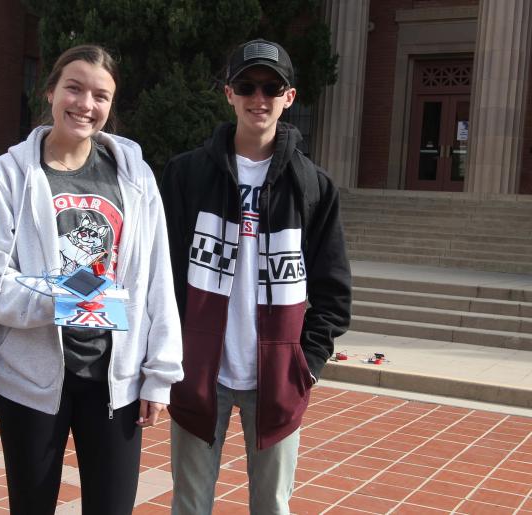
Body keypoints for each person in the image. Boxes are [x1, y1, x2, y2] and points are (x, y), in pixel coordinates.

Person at [0, 44, 183, 515]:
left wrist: (159, 375)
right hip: (30, 379)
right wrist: (75, 294)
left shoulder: (135, 178)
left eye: (100, 95)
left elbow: (156, 280)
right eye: (74, 88)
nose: (86, 104)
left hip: (115, 380)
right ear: (50, 92)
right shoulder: (11, 174)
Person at [161, 39, 352, 514]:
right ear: (229, 93)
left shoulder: (313, 186)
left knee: (271, 506)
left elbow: (333, 291)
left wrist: (305, 364)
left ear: (290, 96)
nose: (258, 97)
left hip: (277, 381)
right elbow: (160, 273)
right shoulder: (186, 175)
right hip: (198, 373)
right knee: (190, 505)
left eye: (272, 87)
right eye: (247, 85)